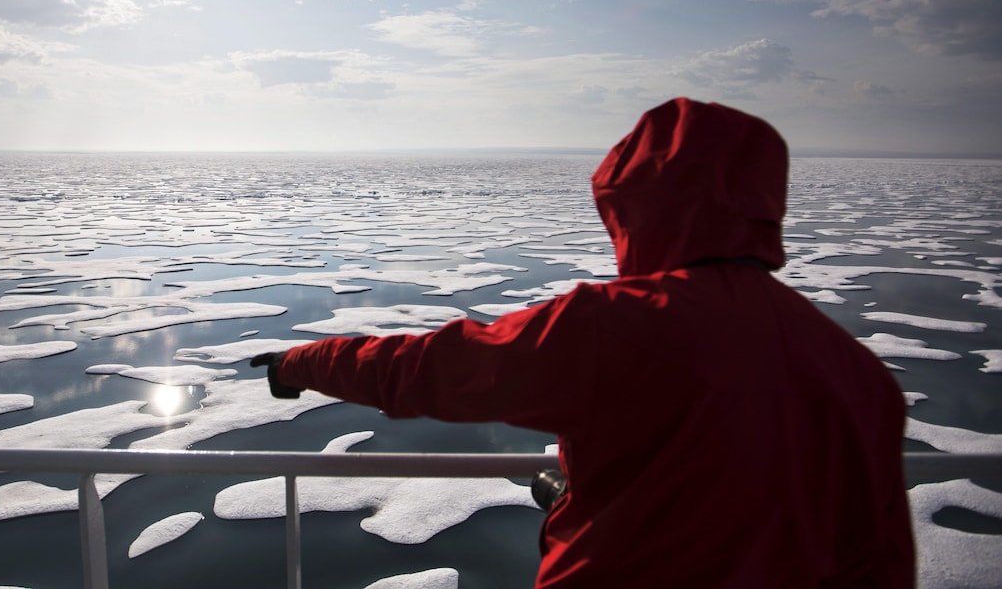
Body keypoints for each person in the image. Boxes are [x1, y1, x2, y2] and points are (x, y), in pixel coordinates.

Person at [252, 98, 915, 587]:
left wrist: (300, 361)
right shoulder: (858, 372)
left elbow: (428, 369)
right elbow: (877, 556)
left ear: (635, 204)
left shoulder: (615, 325)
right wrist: (576, 494)